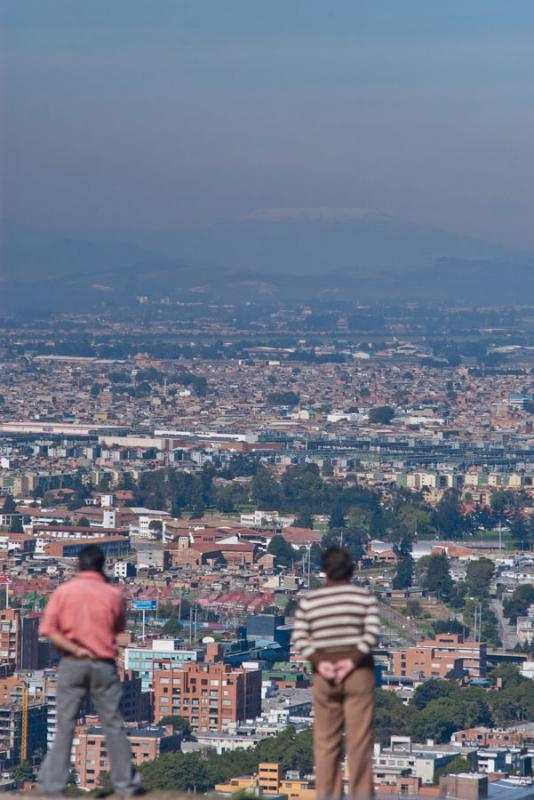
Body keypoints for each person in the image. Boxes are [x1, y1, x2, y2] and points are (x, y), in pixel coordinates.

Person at [38, 544, 142, 797]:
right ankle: (125, 785)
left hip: (72, 662)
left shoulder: (65, 592)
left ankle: (53, 787)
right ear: (103, 565)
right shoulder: (113, 594)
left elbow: (48, 630)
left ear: (78, 566)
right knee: (113, 724)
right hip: (103, 663)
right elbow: (119, 627)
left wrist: (74, 647)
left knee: (65, 725)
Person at [292, 546, 380, 800]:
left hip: (325, 675)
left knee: (326, 742)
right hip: (358, 673)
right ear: (351, 570)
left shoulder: (311, 601)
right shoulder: (363, 598)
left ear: (324, 571)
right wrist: (350, 662)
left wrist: (322, 663)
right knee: (359, 742)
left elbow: (300, 638)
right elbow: (371, 634)